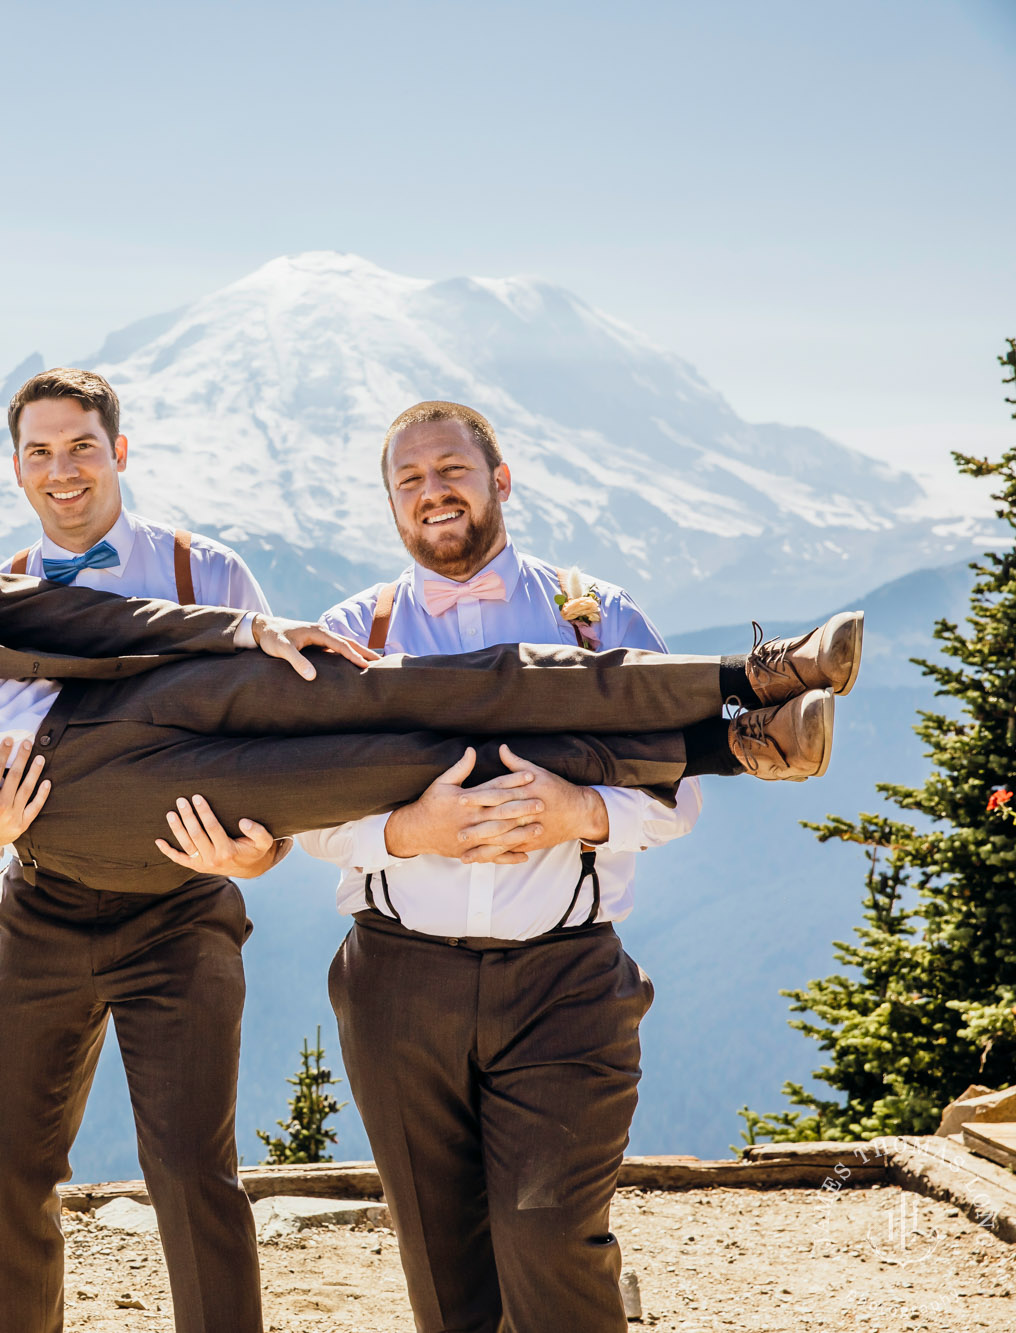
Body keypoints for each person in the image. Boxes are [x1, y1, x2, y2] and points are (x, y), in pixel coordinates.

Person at [0, 444, 856, 988]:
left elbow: (67, 621)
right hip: (61, 807)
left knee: (416, 678)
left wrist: (244, 630)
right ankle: (717, 752)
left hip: (123, 699)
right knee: (401, 760)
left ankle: (749, 687)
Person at [163, 400, 859, 1333]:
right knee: (446, 1281)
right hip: (395, 983)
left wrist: (578, 811)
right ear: (389, 505)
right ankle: (761, 703)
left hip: (565, 982)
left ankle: (755, 695)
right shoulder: (345, 627)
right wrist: (410, 831)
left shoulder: (593, 614)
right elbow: (311, 810)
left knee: (550, 1247)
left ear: (501, 478)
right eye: (407, 480)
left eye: (450, 468)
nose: (431, 492)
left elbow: (674, 797)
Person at [0, 368, 276, 1332]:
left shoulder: (207, 576)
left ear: (120, 452)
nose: (63, 471)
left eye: (81, 446)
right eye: (40, 453)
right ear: (16, 470)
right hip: (40, 908)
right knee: (7, 1164)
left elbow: (285, 740)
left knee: (190, 1170)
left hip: (181, 913)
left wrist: (259, 852)